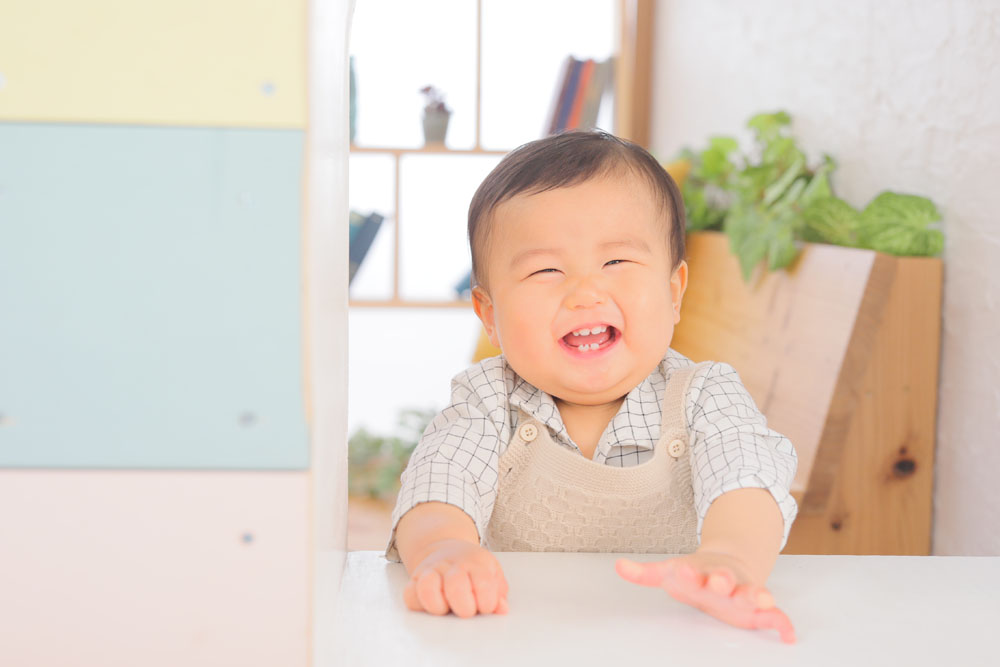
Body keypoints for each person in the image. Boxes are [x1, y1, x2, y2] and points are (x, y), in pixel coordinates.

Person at [386, 130, 799, 643]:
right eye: (546, 269)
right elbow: (438, 481)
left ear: (673, 292)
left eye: (615, 262)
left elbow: (747, 479)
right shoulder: (488, 400)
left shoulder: (703, 395)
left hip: (672, 634)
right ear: (489, 314)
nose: (585, 293)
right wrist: (444, 550)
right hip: (519, 636)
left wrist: (729, 559)